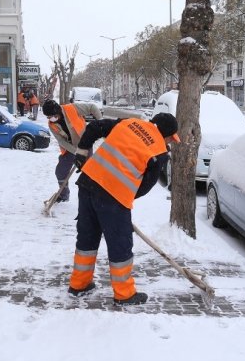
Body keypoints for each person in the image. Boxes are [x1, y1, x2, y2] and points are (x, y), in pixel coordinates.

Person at [67, 113, 180, 305]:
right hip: (113, 198)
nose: (170, 142)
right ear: (166, 135)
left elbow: (94, 127)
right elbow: (144, 186)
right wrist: (122, 194)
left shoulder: (128, 123)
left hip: (87, 183)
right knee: (120, 244)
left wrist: (81, 152)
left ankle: (79, 284)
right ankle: (124, 294)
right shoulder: (159, 152)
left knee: (87, 237)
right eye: (170, 138)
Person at [41, 98, 103, 202]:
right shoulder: (51, 124)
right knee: (60, 171)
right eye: (48, 117)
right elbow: (61, 141)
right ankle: (63, 195)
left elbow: (92, 107)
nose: (50, 118)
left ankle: (95, 197)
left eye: (51, 116)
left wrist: (101, 122)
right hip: (70, 148)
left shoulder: (71, 108)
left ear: (57, 111)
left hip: (85, 142)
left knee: (89, 171)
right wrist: (76, 151)